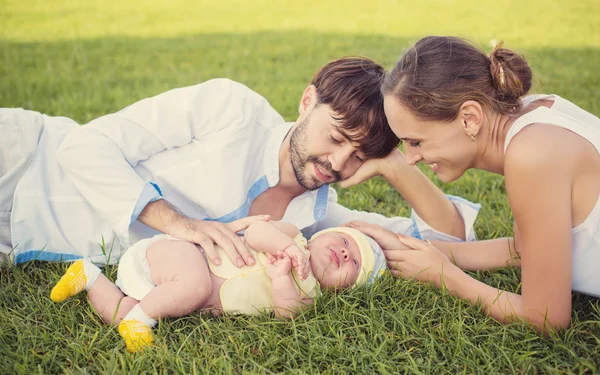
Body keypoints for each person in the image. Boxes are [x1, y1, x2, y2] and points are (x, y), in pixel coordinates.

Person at [0, 56, 479, 268]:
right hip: (23, 159)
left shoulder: (311, 220)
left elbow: (444, 236)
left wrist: (394, 164)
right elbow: (82, 147)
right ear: (307, 100)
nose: (336, 163)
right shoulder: (230, 109)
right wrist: (179, 224)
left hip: (18, 237)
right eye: (335, 138)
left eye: (358, 156)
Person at [359, 35, 600, 333]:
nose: (410, 158)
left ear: (469, 118)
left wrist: (445, 275)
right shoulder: (532, 113)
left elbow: (546, 317)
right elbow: (522, 250)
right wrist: (416, 250)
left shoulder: (532, 154)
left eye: (416, 141)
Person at [50, 220, 387, 352]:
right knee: (196, 285)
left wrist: (282, 278)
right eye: (345, 240)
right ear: (326, 234)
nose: (344, 251)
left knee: (119, 315)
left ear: (346, 288)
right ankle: (141, 321)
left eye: (354, 262)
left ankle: (88, 276)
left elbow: (288, 315)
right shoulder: (293, 234)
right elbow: (254, 232)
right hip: (178, 257)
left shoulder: (308, 294)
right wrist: (286, 248)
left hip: (170, 294)